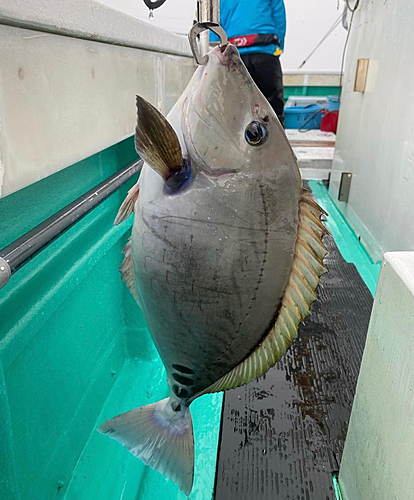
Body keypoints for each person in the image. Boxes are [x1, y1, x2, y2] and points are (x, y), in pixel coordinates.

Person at [211, 0, 286, 127]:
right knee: (272, 106)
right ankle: (276, 143)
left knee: (235, 106)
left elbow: (214, 25)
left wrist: (215, 53)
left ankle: (239, 143)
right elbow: (279, 16)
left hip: (234, 53)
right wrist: (278, 47)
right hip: (264, 49)